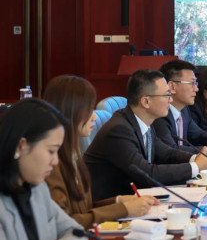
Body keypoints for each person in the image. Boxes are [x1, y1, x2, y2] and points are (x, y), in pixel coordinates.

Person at [0, 99, 113, 240]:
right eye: (51, 151)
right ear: (21, 146)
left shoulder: (37, 189)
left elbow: (74, 230)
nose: (55, 161)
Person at [43, 75, 158, 228]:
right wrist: (122, 209)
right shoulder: (51, 163)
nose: (94, 117)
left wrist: (119, 201)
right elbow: (66, 222)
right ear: (72, 110)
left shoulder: (73, 154)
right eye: (89, 110)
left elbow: (84, 209)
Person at [85, 70, 207, 201]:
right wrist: (196, 166)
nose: (170, 100)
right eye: (167, 95)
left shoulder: (142, 122)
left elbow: (166, 153)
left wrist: (195, 158)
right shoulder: (119, 130)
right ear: (146, 101)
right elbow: (147, 173)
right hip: (111, 206)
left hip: (138, 198)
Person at [152, 60, 207, 157]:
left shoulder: (184, 110)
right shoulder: (160, 114)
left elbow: (199, 135)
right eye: (192, 83)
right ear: (172, 87)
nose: (196, 89)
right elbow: (171, 150)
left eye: (195, 83)